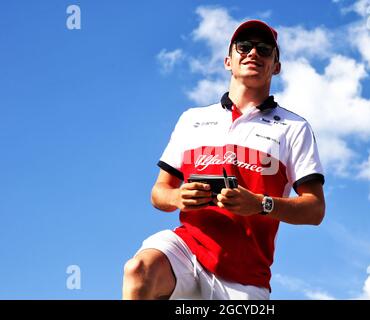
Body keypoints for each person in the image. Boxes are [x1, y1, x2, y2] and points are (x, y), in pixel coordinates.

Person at [122, 20, 326, 300]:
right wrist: (180, 197)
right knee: (139, 269)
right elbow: (159, 193)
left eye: (265, 50)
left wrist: (259, 204)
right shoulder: (192, 119)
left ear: (276, 67)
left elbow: (315, 210)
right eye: (244, 47)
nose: (253, 53)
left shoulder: (295, 127)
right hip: (187, 250)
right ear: (228, 61)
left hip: (245, 279)